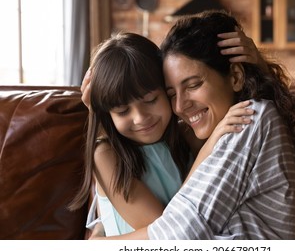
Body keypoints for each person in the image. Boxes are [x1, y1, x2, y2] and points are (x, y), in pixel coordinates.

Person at [89, 10, 295, 240]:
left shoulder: (248, 119)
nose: (180, 106)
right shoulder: (210, 132)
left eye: (193, 85)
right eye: (172, 93)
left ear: (236, 77)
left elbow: (177, 236)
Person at [69, 30, 259, 236]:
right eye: (122, 111)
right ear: (108, 113)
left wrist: (257, 63)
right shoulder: (105, 155)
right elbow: (167, 230)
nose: (140, 118)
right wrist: (210, 145)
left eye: (151, 100)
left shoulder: (184, 135)